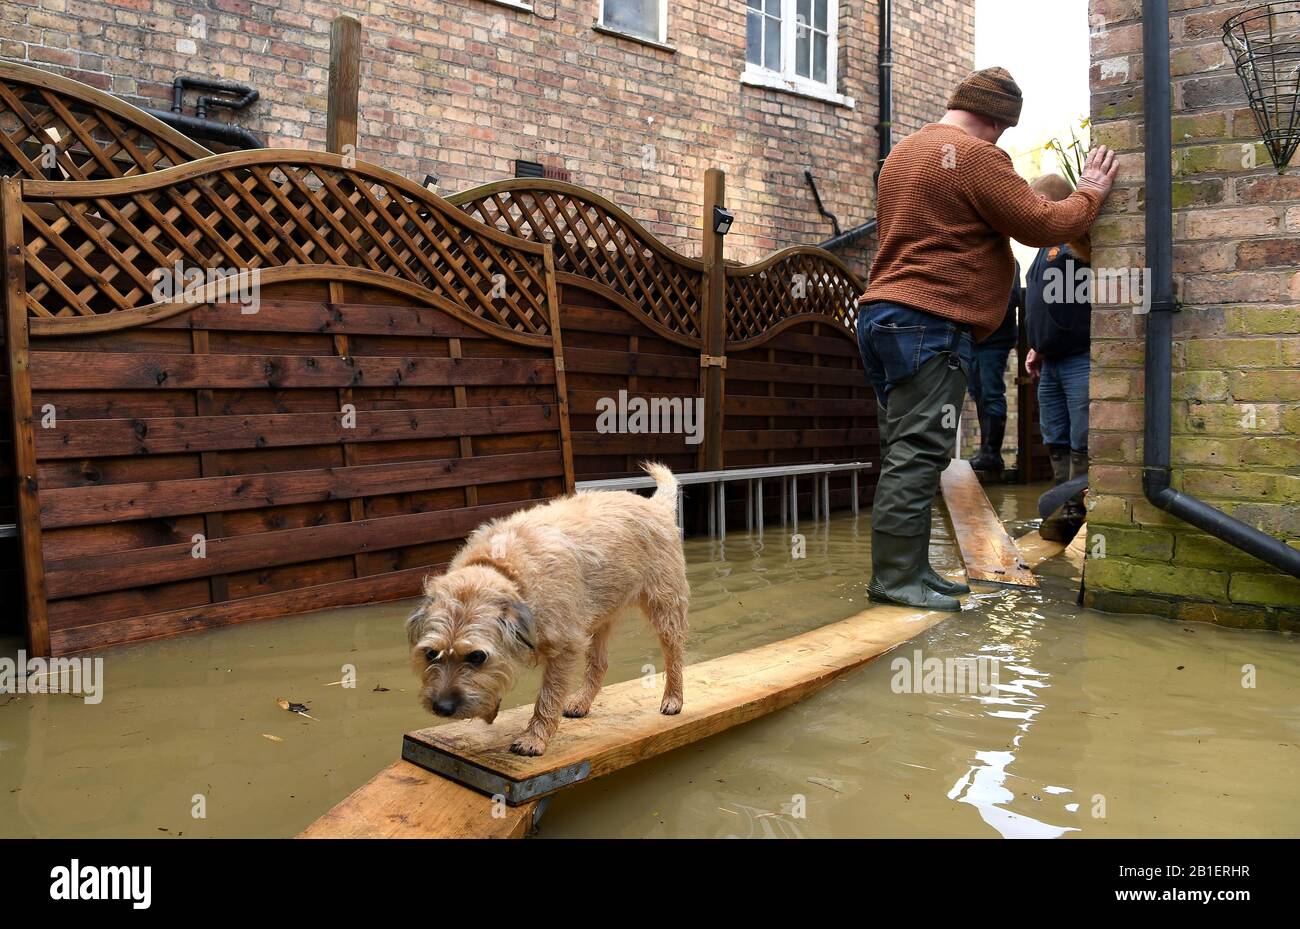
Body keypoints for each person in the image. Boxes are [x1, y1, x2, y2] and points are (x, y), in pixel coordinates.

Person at [856, 66, 1116, 611]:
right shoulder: (974, 155)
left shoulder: (904, 152)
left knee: (905, 450)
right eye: (1003, 128)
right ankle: (896, 579)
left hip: (884, 318)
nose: (1002, 139)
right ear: (995, 117)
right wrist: (1090, 192)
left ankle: (911, 570)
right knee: (918, 452)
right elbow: (1041, 223)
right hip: (928, 322)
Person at [1024, 173, 1092, 542]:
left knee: (1082, 435)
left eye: (1034, 201)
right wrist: (1039, 345)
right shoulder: (1042, 248)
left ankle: (1080, 511)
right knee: (1056, 436)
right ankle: (1062, 509)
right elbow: (1047, 303)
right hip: (1051, 360)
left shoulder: (1078, 241)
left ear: (1049, 202)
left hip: (1080, 356)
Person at [968, 263, 1022, 480]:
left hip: (996, 338)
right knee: (977, 392)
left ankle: (992, 453)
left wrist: (981, 315)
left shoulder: (1009, 262)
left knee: (991, 392)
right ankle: (985, 451)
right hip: (973, 339)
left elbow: (1013, 299)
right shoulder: (974, 258)